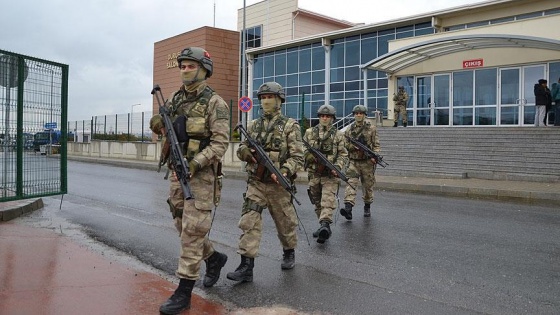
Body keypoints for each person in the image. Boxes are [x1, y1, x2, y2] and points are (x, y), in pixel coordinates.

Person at [149, 47, 230, 315]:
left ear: (204, 69)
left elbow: (220, 143)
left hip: (201, 175)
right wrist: (157, 121)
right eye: (182, 66)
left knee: (193, 232)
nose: (184, 70)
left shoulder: (215, 103)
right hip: (177, 172)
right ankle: (214, 258)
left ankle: (184, 291)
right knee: (181, 223)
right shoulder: (173, 98)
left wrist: (195, 163)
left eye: (190, 66)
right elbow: (160, 123)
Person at [226, 82, 304, 283]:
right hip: (256, 183)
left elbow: (297, 157)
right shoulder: (253, 125)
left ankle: (289, 251)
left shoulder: (290, 125)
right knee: (249, 221)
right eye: (263, 97)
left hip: (278, 185)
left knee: (285, 223)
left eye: (270, 97)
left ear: (279, 100)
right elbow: (241, 148)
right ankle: (246, 265)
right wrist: (245, 153)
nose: (266, 101)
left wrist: (285, 171)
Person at [303, 104, 348, 244]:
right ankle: (322, 224)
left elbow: (343, 154)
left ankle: (325, 225)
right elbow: (302, 150)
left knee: (327, 201)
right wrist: (310, 157)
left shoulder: (339, 135)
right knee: (317, 202)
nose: (324, 118)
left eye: (327, 116)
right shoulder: (310, 133)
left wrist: (337, 166)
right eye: (322, 116)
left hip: (330, 175)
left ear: (332, 118)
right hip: (314, 174)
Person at [340, 105, 381, 220]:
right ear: (354, 115)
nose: (358, 115)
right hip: (353, 162)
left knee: (367, 186)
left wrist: (375, 156)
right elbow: (344, 145)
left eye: (361, 113)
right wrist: (353, 147)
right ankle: (348, 208)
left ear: (364, 115)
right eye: (356, 113)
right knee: (351, 184)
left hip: (367, 163)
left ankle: (367, 205)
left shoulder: (371, 128)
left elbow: (376, 145)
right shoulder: (349, 129)